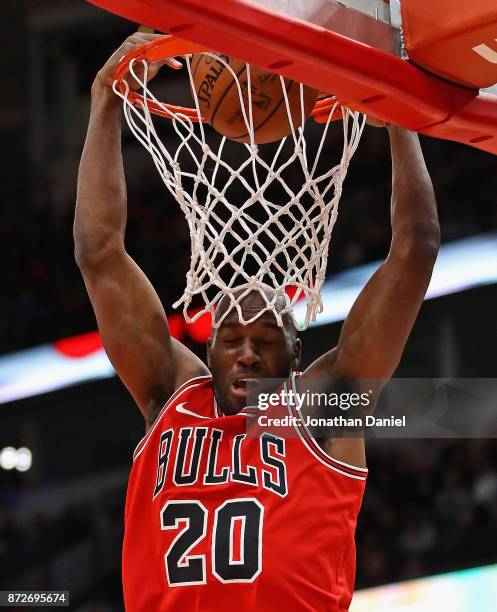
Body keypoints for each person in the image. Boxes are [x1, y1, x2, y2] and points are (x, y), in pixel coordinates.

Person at [74, 33, 440, 612]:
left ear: (296, 357)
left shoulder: (324, 406)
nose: (247, 352)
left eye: (267, 340)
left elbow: (416, 248)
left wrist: (397, 118)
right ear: (209, 348)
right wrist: (103, 102)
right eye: (233, 339)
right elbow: (99, 254)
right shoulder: (169, 395)